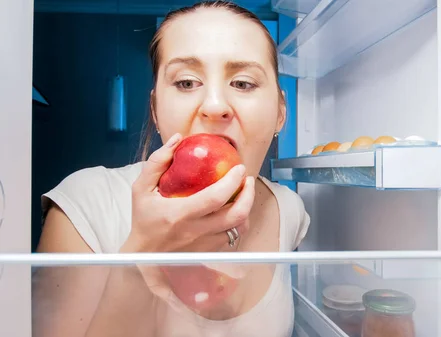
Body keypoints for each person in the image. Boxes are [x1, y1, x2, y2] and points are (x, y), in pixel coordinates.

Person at [32, 1, 310, 336]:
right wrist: (142, 255)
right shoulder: (87, 205)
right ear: (155, 108)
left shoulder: (289, 210)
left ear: (280, 112)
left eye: (243, 83)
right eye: (187, 82)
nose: (215, 105)